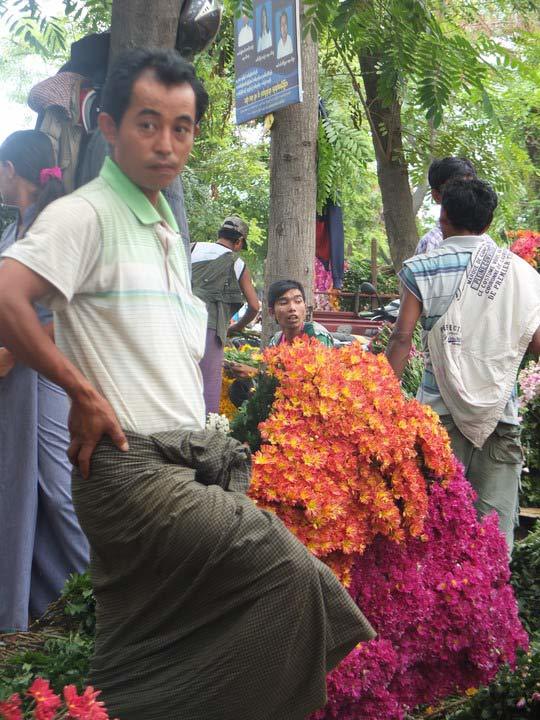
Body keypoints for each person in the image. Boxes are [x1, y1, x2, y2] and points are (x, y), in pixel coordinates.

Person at [0, 48, 374, 720]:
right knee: (291, 577)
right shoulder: (84, 214)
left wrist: (85, 362)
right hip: (131, 466)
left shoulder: (168, 231)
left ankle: (115, 705)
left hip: (183, 455)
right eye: (148, 124)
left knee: (143, 641)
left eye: (182, 127)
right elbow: (9, 296)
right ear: (110, 128)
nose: (166, 144)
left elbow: (98, 321)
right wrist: (81, 392)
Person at [386, 178, 540, 552]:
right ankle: (490, 607)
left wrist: (385, 400)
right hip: (498, 417)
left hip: (438, 419)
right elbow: (536, 346)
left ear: (443, 217)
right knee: (493, 534)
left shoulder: (422, 268)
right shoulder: (522, 274)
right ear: (488, 223)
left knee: (434, 527)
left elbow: (402, 338)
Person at [0, 130, 89, 632]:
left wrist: (17, 350)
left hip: (47, 376)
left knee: (58, 490)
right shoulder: (15, 229)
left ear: (12, 169)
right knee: (20, 489)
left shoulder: (54, 226)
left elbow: (73, 308)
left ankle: (102, 605)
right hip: (14, 384)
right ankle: (42, 610)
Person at [191, 215, 259, 414]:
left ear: (220, 235)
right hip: (211, 328)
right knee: (207, 387)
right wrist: (236, 327)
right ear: (238, 242)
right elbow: (254, 306)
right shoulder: (237, 263)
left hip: (179, 323)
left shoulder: (193, 247)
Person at [416, 157, 493, 254]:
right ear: (436, 196)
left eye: (469, 187)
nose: (464, 194)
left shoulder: (487, 243)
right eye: (454, 189)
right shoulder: (431, 243)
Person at [268, 279, 334, 347]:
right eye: (283, 303)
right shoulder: (275, 341)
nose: (292, 308)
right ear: (272, 312)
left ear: (305, 307)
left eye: (298, 301)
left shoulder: (317, 334)